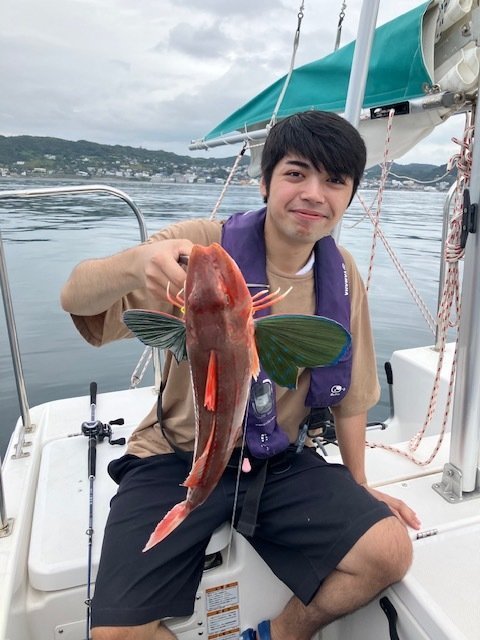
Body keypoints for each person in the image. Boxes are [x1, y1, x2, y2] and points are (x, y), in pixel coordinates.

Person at [61, 110, 420, 640]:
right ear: (265, 181)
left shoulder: (342, 275)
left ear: (349, 197)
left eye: (334, 181)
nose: (313, 194)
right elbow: (75, 296)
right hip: (178, 455)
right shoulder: (198, 250)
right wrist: (137, 263)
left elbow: (353, 395)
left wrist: (360, 482)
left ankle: (283, 633)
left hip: (277, 458)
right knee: (115, 636)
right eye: (295, 173)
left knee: (389, 552)